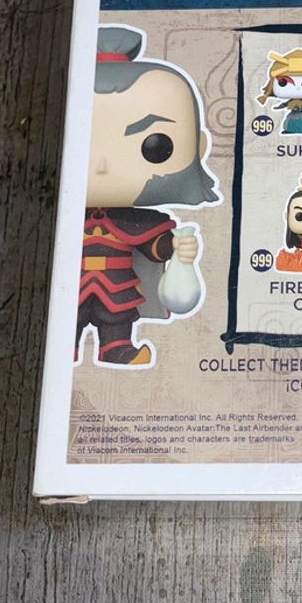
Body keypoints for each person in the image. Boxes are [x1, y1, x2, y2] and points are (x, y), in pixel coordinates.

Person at [76, 25, 219, 368]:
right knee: (66, 318)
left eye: (155, 146)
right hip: (70, 290)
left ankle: (117, 347)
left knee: (117, 317)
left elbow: (153, 247)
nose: (103, 167)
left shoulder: (134, 219)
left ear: (198, 148)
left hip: (117, 288)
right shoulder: (59, 219)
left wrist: (177, 248)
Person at [257, 48, 302, 135]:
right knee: (289, 121)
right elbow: (286, 104)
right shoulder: (291, 100)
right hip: (293, 114)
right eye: (283, 82)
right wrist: (279, 106)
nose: (298, 88)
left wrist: (300, 107)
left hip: (301, 114)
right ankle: (290, 130)